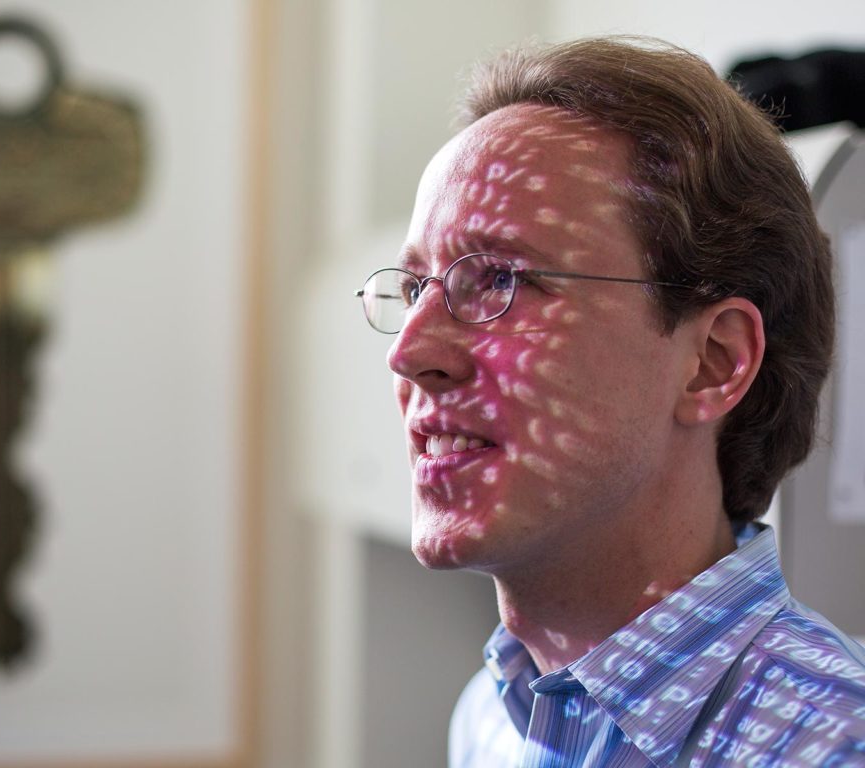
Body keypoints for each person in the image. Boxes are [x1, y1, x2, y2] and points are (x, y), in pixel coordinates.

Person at [356, 37, 865, 766]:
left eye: (499, 279)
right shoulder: (495, 718)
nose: (407, 353)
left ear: (712, 364)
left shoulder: (834, 747)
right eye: (412, 291)